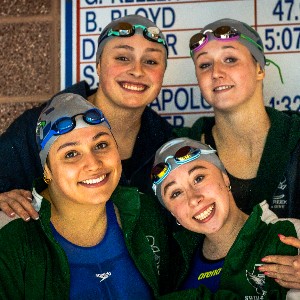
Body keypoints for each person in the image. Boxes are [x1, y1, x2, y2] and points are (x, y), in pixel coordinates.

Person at [0, 14, 173, 221]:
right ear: (98, 66)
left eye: (151, 61)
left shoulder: (165, 142)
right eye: (122, 58)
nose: (137, 70)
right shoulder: (38, 126)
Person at [0, 93, 172, 299]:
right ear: (47, 170)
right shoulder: (13, 237)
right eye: (71, 154)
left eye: (101, 145)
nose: (93, 164)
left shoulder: (146, 213)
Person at [173, 18, 300, 288]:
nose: (216, 72)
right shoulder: (181, 150)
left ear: (259, 68)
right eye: (205, 65)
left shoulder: (297, 137)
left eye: (230, 59)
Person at [151, 137, 300, 299]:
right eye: (176, 193)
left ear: (225, 177)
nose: (194, 199)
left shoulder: (292, 235)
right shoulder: (174, 265)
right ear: (173, 213)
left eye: (198, 178)